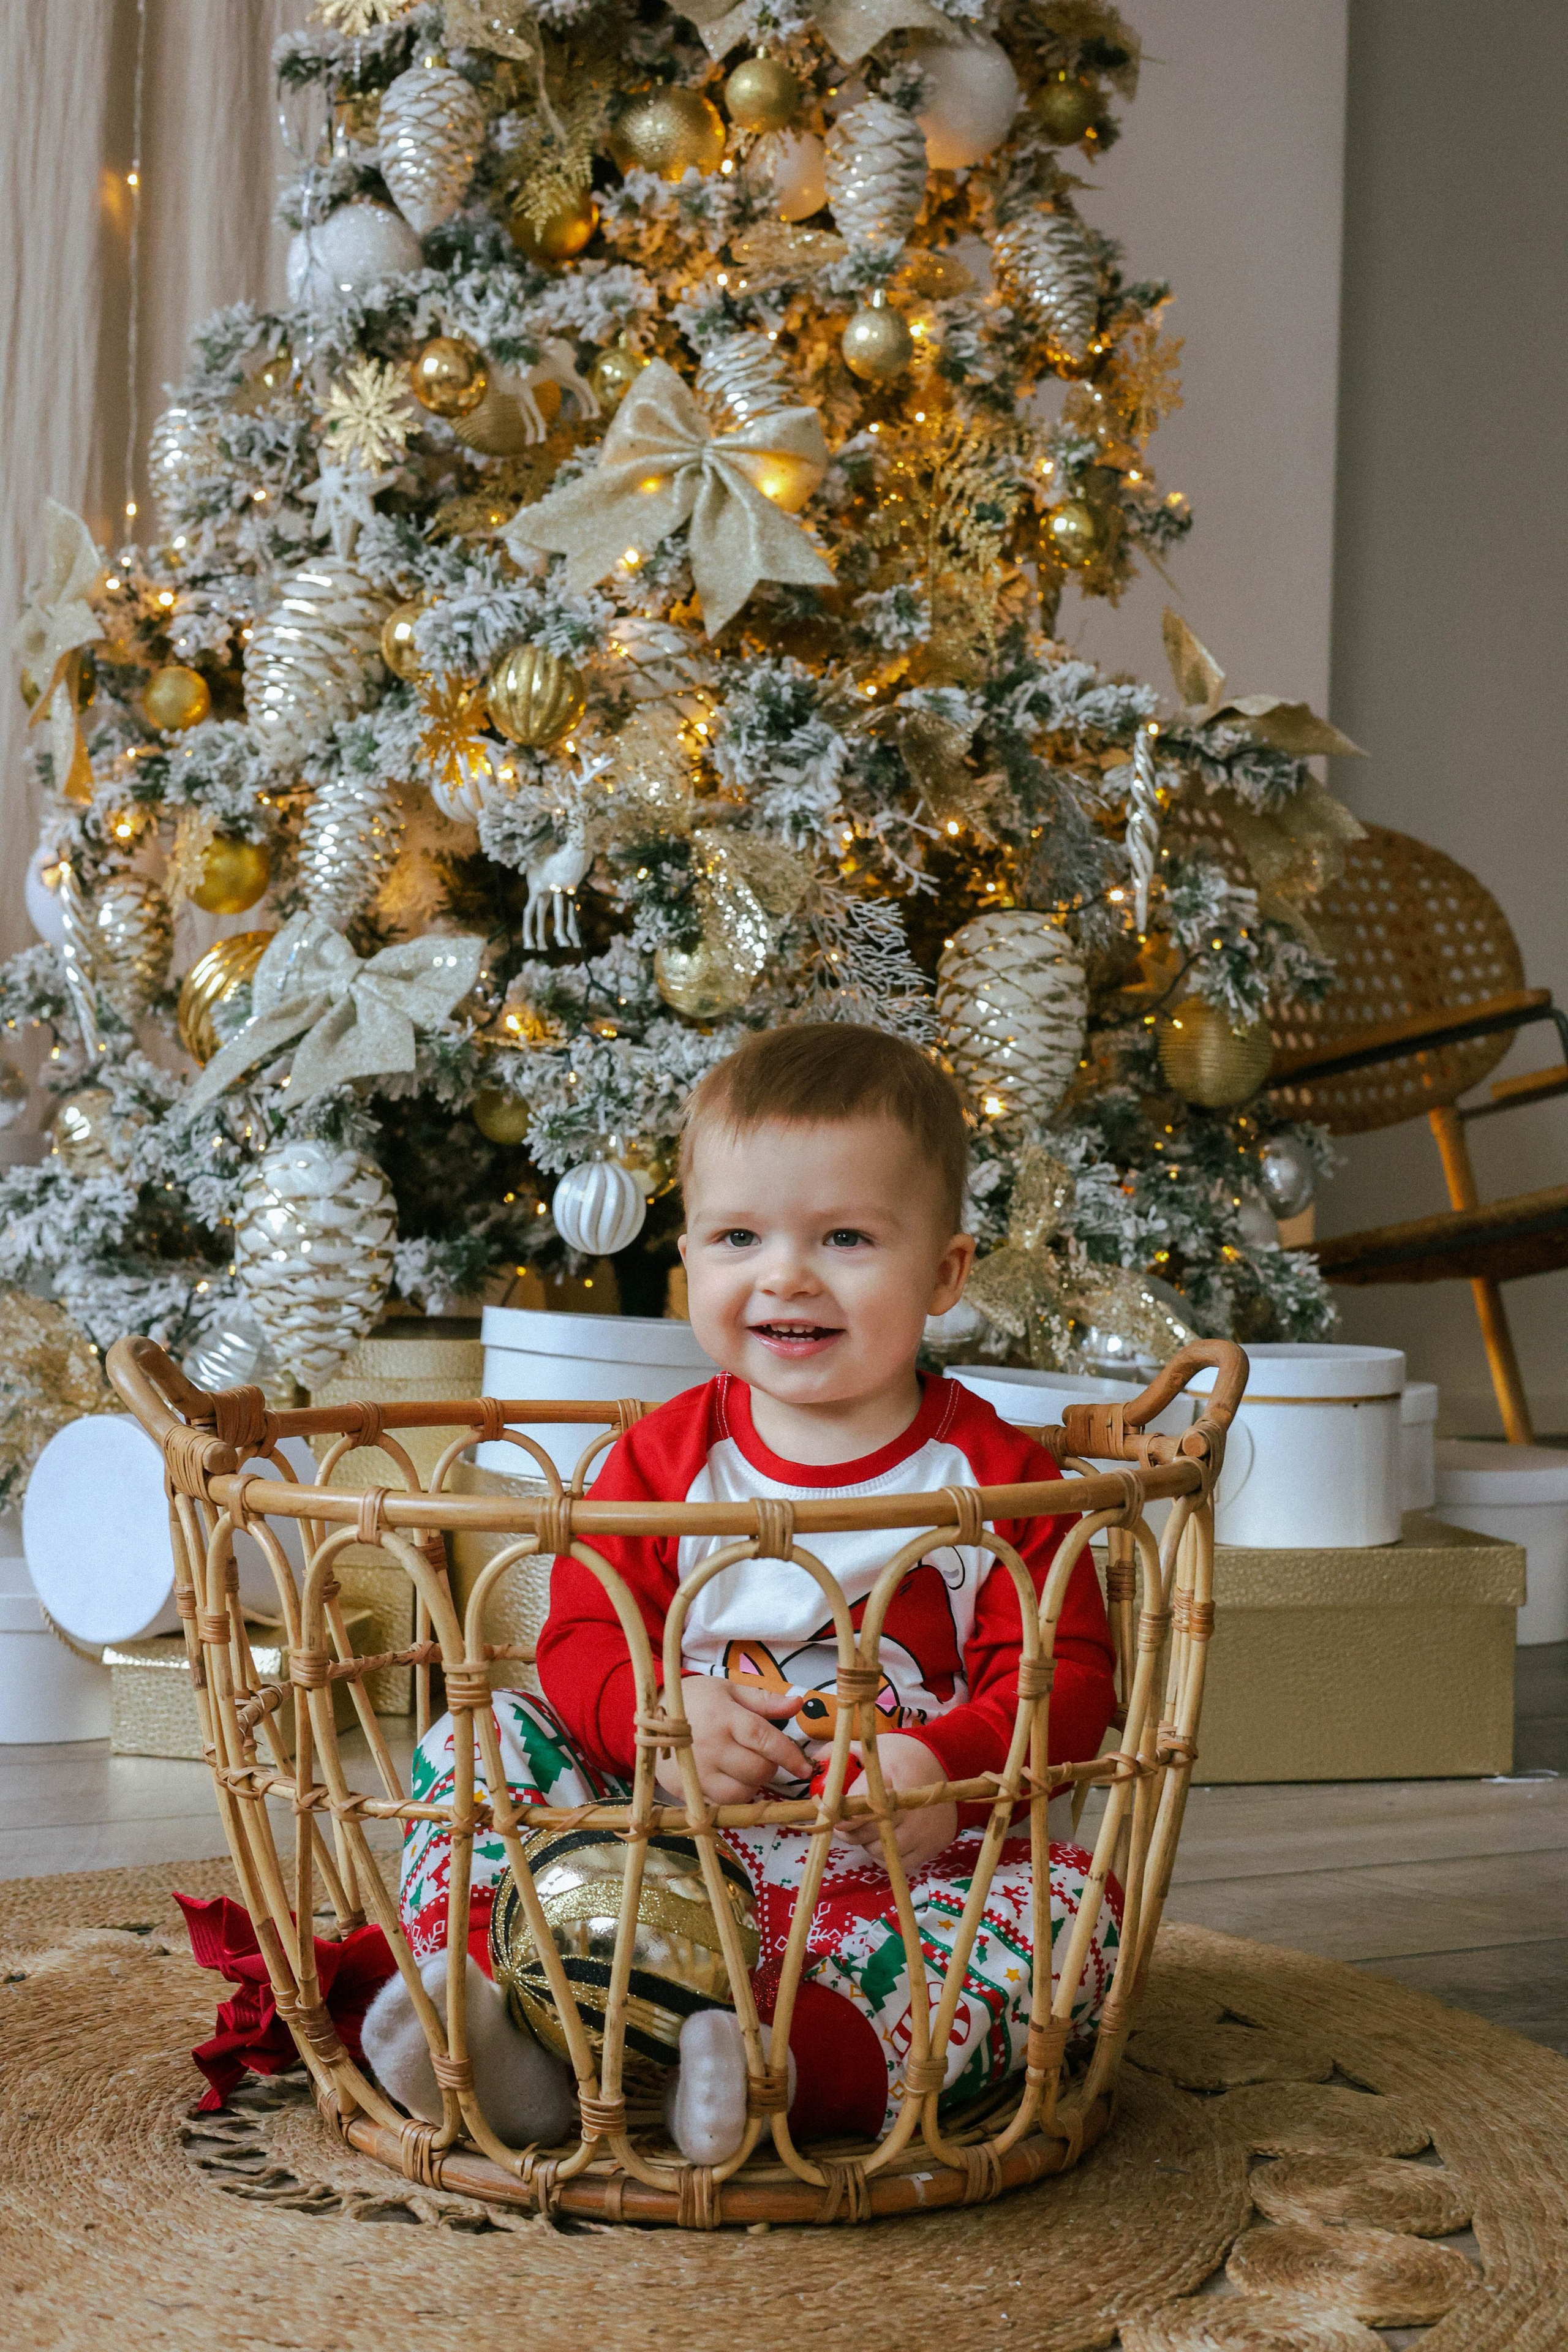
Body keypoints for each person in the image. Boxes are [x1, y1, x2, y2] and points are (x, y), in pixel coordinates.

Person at [365, 1024, 1122, 2158]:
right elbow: (577, 1634)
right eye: (739, 1236)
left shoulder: (1003, 1479)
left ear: (947, 1273)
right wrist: (657, 1721)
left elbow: (1069, 1679)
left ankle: (783, 2065)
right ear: (690, 1260)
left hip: (891, 1883)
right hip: (638, 1852)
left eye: (848, 1237)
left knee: (1076, 1905)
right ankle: (500, 2012)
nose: (786, 1275)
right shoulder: (660, 1463)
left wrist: (946, 1771)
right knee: (485, 1736)